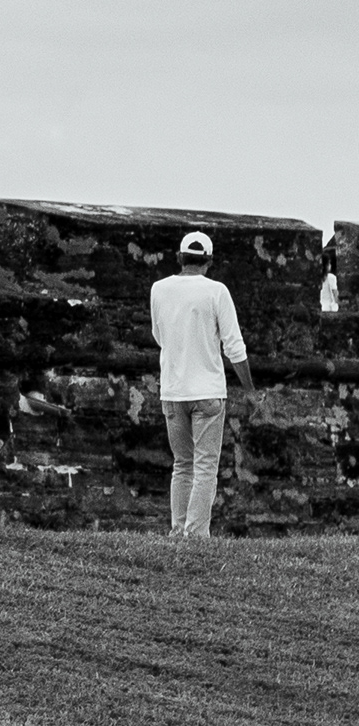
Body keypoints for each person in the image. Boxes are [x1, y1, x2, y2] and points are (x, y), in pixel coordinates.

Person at [149, 231, 250, 540]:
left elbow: (158, 336)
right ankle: (197, 534)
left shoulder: (159, 289)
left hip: (173, 390)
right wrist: (249, 388)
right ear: (209, 260)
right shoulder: (216, 292)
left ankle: (178, 531)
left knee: (182, 464)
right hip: (207, 392)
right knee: (205, 466)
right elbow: (234, 347)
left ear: (180, 257)